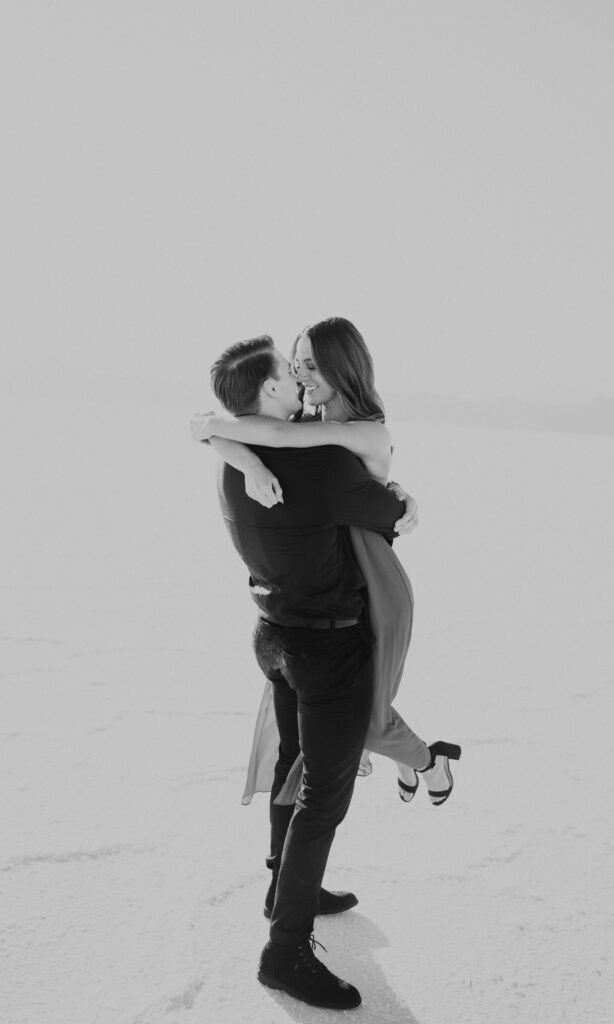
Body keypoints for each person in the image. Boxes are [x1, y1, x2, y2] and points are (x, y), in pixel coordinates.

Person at [202, 333, 419, 1009]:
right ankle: (284, 951)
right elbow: (393, 518)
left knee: (291, 765)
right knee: (321, 798)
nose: (299, 383)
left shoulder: (234, 459)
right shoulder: (326, 465)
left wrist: (225, 436)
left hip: (273, 637)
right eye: (288, 376)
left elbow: (230, 437)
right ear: (269, 392)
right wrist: (404, 500)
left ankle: (283, 884)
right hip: (326, 650)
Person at [191, 317, 461, 808]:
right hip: (338, 581)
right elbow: (249, 432)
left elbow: (269, 438)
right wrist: (240, 455)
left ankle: (425, 759)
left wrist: (214, 431)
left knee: (362, 714)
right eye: (296, 365)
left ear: (343, 366)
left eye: (312, 364)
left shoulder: (365, 432)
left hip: (375, 581)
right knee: (352, 707)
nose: (302, 375)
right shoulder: (305, 424)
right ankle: (419, 758)